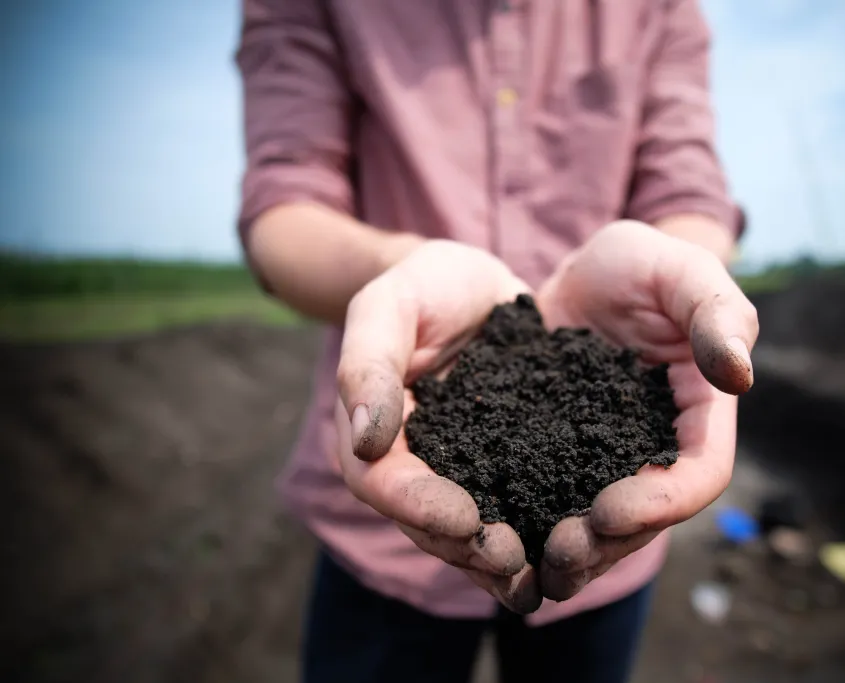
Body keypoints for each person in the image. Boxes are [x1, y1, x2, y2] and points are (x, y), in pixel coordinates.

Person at [234, 1, 758, 681]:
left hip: (608, 552)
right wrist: (398, 273)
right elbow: (284, 205)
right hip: (386, 520)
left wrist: (678, 278)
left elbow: (687, 189)